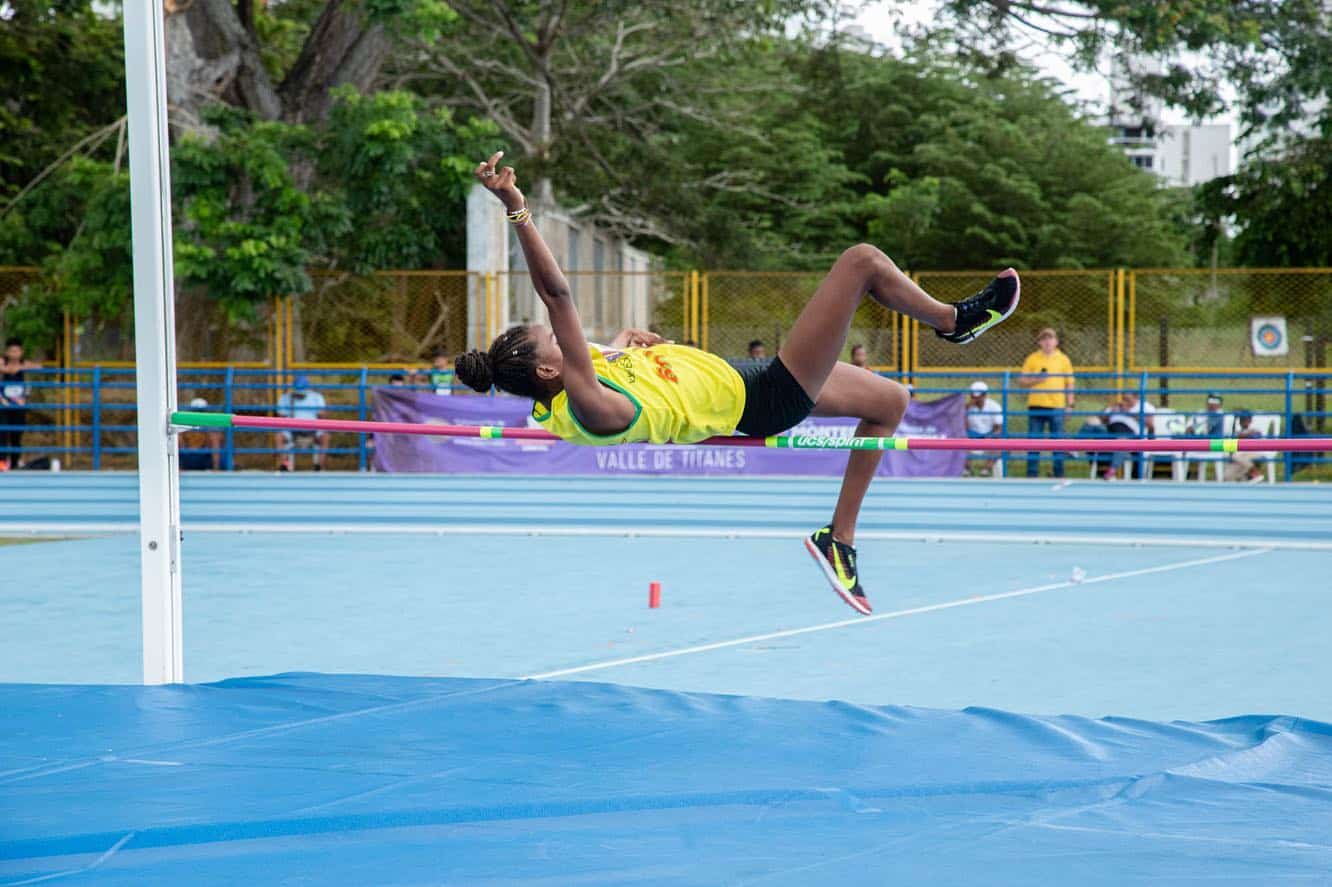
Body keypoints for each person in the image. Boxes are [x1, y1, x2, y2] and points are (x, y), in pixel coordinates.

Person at [457, 152, 1021, 615]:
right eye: (553, 340)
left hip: (746, 377)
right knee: (862, 262)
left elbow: (607, 358)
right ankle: (954, 323)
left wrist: (627, 343)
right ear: (550, 371)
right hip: (764, 395)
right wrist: (517, 210)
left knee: (889, 402)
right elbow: (558, 297)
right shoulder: (587, 406)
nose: (567, 338)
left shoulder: (576, 380)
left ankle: (839, 540)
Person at [1017, 328, 1074, 478]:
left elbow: (1069, 383)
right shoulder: (1032, 358)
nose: (1047, 341)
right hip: (1036, 405)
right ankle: (1032, 474)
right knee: (1033, 442)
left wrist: (1070, 405)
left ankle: (1059, 473)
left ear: (1056, 341)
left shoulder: (1063, 359)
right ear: (1039, 342)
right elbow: (1022, 381)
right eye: (1044, 339)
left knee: (1058, 442)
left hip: (1057, 406)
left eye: (1050, 338)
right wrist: (1036, 380)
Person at [1, 338, 41, 470]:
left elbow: (39, 367)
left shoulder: (24, 363)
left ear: (21, 352)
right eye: (11, 351)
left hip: (19, 404)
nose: (14, 354)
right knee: (2, 433)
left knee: (17, 434)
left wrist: (21, 367)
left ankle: (14, 463)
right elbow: (6, 369)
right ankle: (2, 462)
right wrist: (9, 370)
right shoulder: (2, 361)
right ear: (6, 352)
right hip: (4, 404)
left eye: (17, 351)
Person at [275, 375, 328, 471]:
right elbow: (280, 416)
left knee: (325, 437)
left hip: (312, 430)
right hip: (292, 431)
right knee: (279, 436)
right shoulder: (286, 397)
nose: (300, 393)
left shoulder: (316, 397)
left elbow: (323, 415)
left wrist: (316, 414)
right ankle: (284, 465)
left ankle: (319, 466)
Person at [965, 381, 1003, 476]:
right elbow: (962, 427)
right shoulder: (967, 408)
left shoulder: (994, 406)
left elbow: (998, 429)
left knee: (999, 445)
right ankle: (967, 471)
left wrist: (990, 437)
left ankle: (985, 470)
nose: (975, 399)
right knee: (960, 444)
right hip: (972, 437)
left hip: (989, 436)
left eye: (978, 396)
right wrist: (966, 409)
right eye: (973, 396)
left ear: (984, 395)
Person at [179, 397, 223, 470]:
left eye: (201, 411)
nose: (198, 414)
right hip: (187, 457)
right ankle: (178, 467)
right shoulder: (185, 425)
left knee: (214, 437)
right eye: (196, 411)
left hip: (204, 458)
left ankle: (216, 469)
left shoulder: (210, 426)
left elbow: (216, 440)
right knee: (176, 436)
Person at [1225, 409, 1265, 482]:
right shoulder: (1237, 432)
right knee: (1227, 476)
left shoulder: (1255, 430)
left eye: (1245, 419)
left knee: (1236, 456)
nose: (1243, 422)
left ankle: (1255, 472)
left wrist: (1244, 435)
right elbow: (1231, 441)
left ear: (1250, 420)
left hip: (1252, 453)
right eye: (1241, 420)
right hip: (1241, 457)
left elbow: (1255, 438)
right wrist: (1234, 420)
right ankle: (1248, 476)